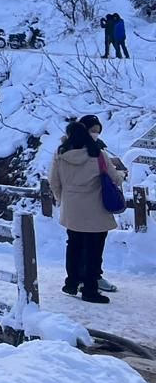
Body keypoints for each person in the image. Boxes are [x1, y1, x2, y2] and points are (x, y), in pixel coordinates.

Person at [49, 115, 126, 303]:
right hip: (95, 210)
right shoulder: (98, 154)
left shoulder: (60, 154)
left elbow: (54, 181)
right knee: (93, 250)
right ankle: (90, 290)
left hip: (72, 210)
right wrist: (122, 175)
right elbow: (115, 178)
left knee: (73, 245)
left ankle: (71, 283)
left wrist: (62, 199)